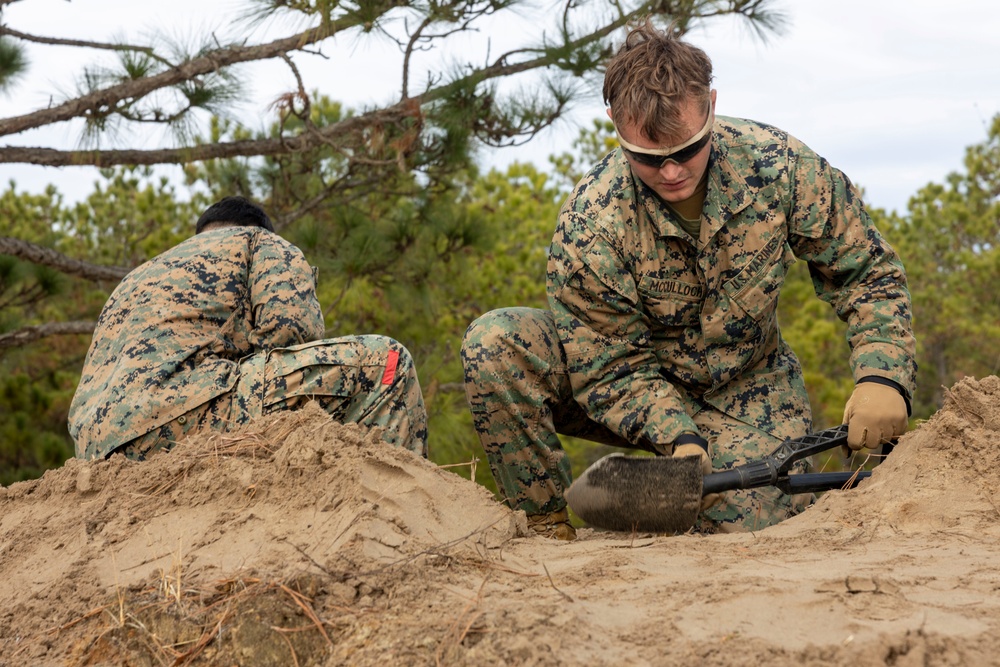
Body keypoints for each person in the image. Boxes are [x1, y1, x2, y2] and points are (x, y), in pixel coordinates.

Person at [461, 20, 916, 540]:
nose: (672, 172)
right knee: (496, 343)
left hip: (745, 385)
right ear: (614, 123)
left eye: (687, 150)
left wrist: (883, 374)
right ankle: (545, 531)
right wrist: (677, 436)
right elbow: (609, 364)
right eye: (649, 159)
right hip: (625, 383)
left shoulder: (779, 167)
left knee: (757, 529)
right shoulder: (592, 221)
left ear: (711, 106)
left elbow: (867, 272)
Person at [69, 196, 427, 460]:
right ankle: (397, 501)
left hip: (93, 449)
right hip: (178, 418)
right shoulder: (258, 241)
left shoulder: (135, 278)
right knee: (387, 362)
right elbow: (292, 330)